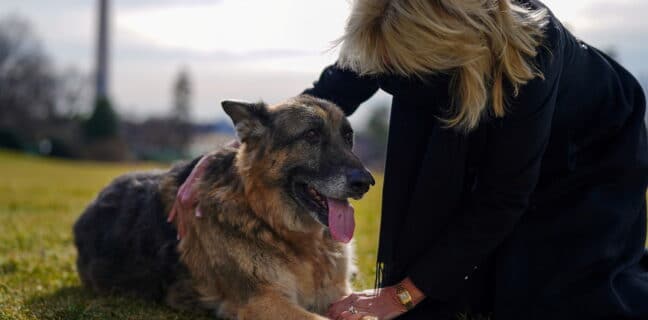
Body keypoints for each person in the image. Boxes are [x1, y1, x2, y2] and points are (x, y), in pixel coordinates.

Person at [170, 0, 648, 319]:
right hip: (485, 106)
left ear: (445, 47)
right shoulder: (389, 20)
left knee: (562, 297)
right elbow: (323, 97)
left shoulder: (530, 55)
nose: (388, 70)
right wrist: (227, 156)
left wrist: (401, 295)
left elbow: (504, 195)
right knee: (470, 289)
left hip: (592, 141)